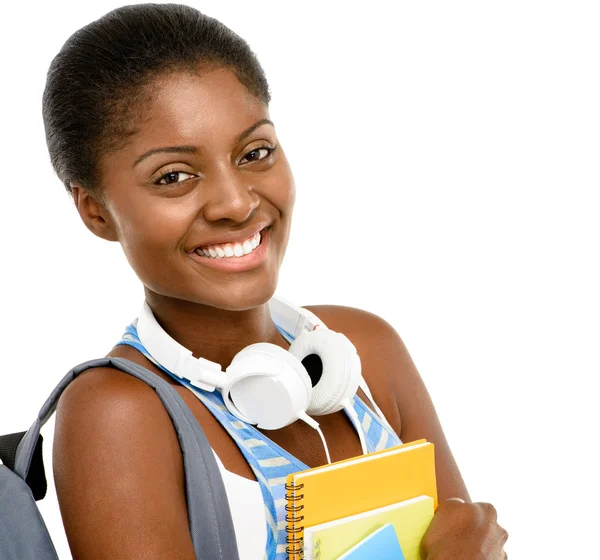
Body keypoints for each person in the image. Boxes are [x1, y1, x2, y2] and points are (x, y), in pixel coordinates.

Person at [43, 4, 508, 559]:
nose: (237, 203)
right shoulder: (117, 414)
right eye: (174, 176)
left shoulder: (366, 350)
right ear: (95, 211)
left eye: (255, 152)